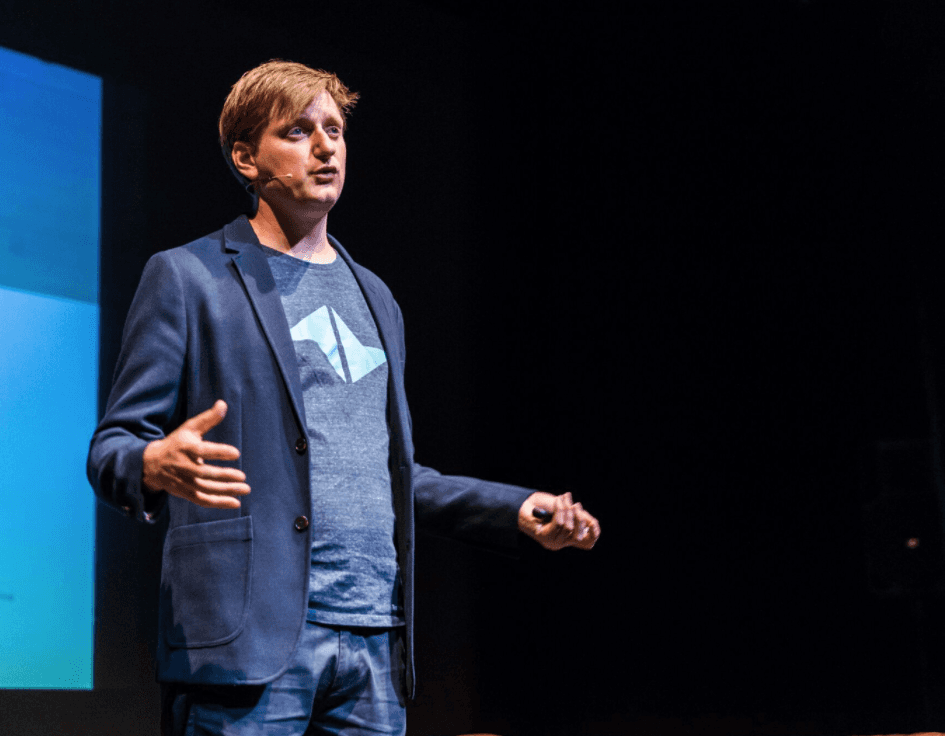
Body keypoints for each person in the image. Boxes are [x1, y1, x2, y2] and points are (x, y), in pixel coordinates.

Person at [87, 59, 600, 736]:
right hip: (249, 644)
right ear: (246, 157)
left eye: (334, 129)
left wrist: (514, 510)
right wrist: (152, 464)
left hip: (373, 645)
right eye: (298, 131)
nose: (326, 146)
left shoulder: (376, 297)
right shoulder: (189, 277)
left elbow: (391, 474)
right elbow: (112, 446)